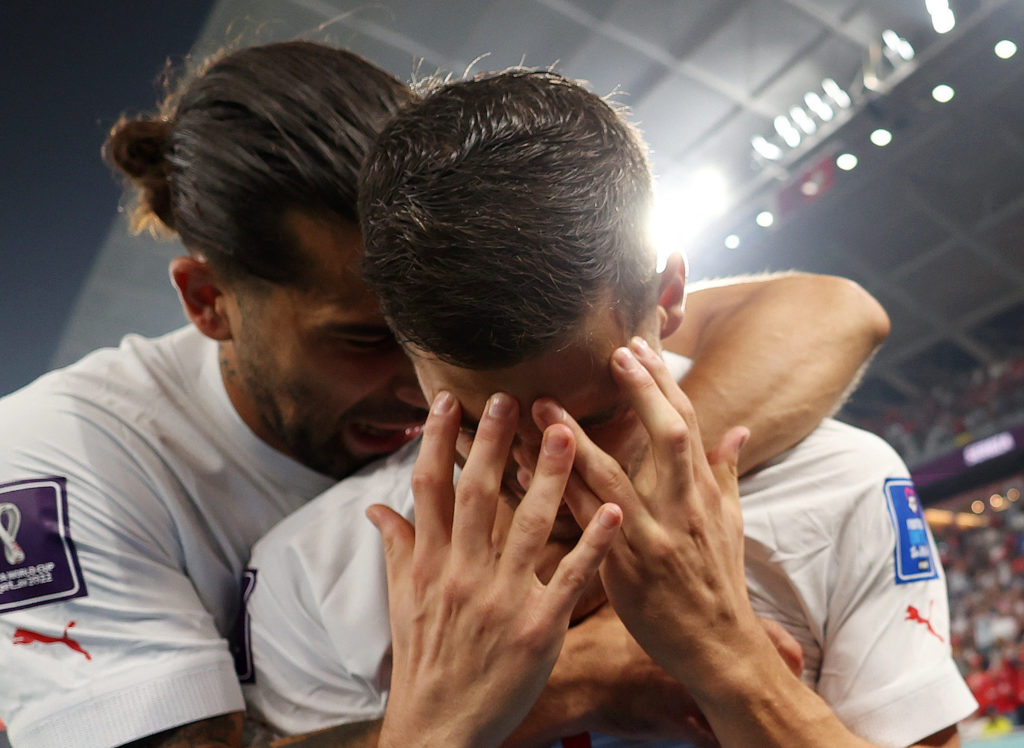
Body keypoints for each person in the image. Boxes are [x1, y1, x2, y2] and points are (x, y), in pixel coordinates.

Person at [0, 41, 884, 748]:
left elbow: (829, 313)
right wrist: (572, 677)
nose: (430, 391)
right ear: (208, 303)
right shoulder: (59, 463)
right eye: (364, 339)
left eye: (430, 336)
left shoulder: (479, 354)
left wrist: (616, 505)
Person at [244, 70, 975, 747]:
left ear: (669, 299)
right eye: (477, 428)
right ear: (407, 355)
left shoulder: (841, 483)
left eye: (591, 422)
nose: (539, 474)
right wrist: (480, 715)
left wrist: (733, 665)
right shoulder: (308, 572)